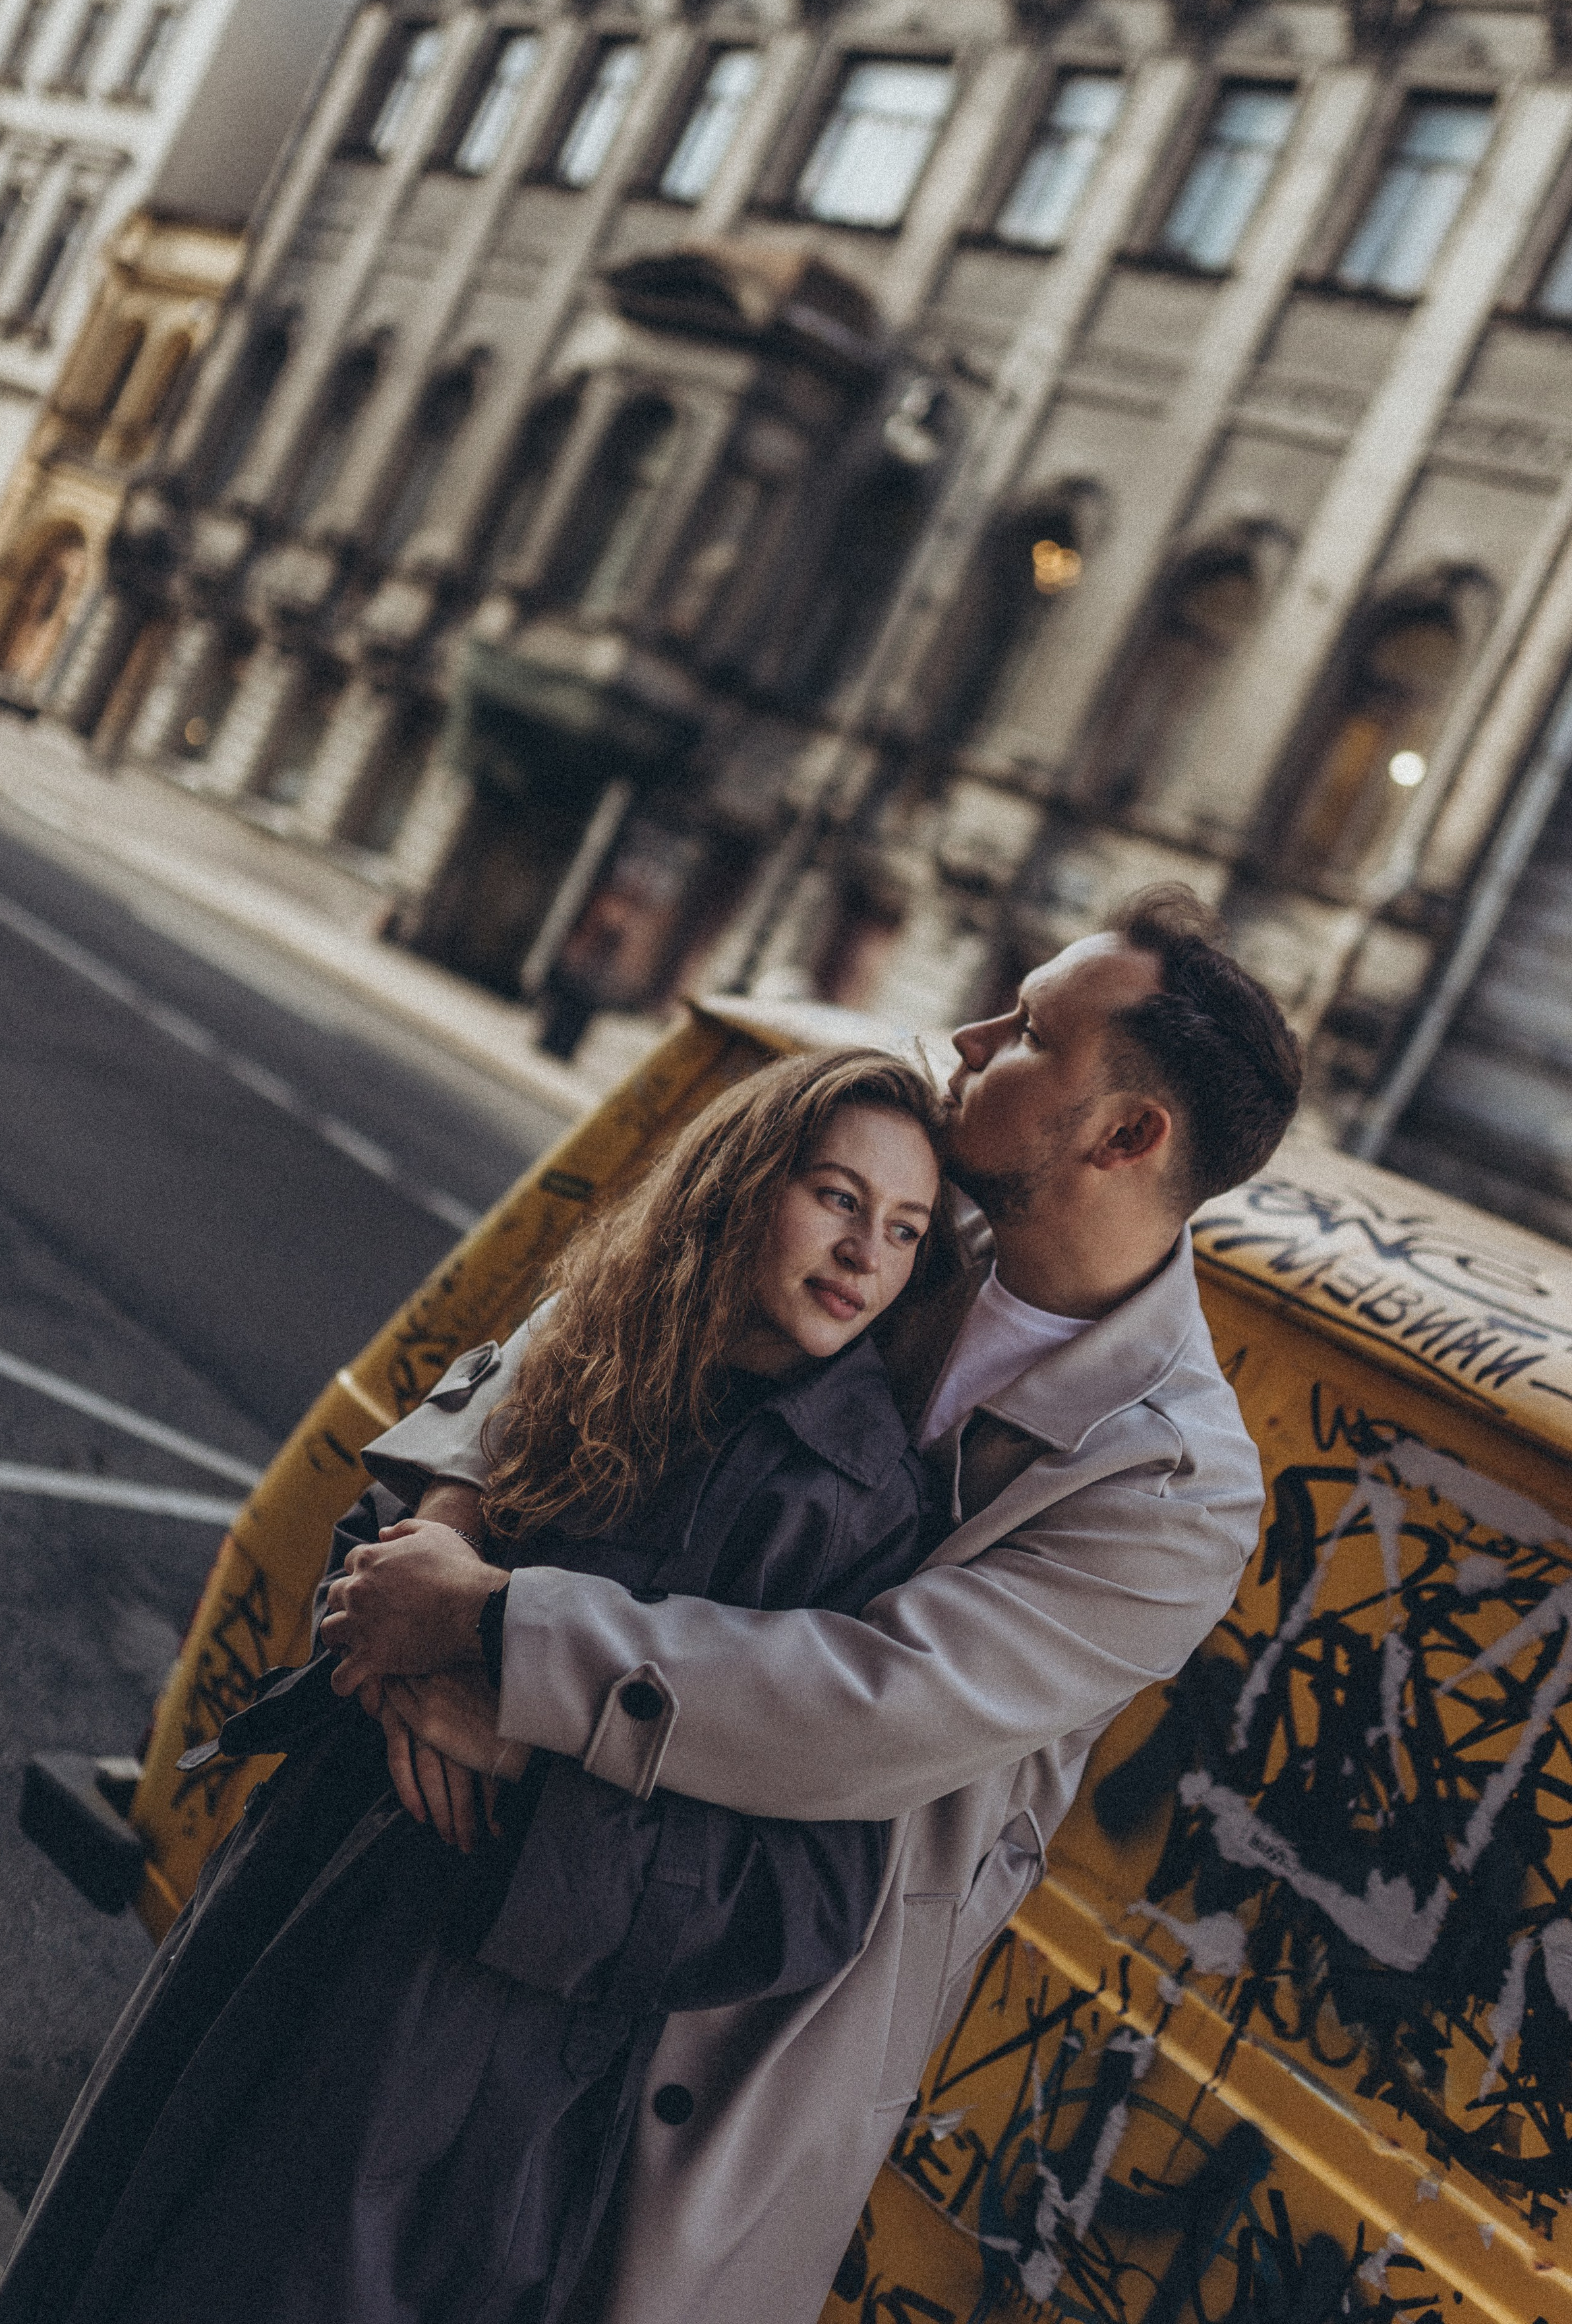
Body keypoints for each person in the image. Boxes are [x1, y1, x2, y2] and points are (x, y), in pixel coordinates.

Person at [316, 885, 1304, 2324]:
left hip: (731, 2039)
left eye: (1025, 1027)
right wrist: (447, 1544)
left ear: (1124, 1134)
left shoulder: (1173, 1484)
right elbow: (584, 1330)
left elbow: (868, 1705)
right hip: (477, 1896)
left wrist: (488, 1637)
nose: (970, 1033)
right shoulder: (890, 1204)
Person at [0, 1049, 960, 2324]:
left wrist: (520, 1750)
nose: (866, 1253)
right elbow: (388, 1556)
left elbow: (812, 1894)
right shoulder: (603, 1337)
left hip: (471, 2050)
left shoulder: (854, 1509)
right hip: (296, 1901)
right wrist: (399, 1661)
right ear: (740, 1183)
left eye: (904, 1228)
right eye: (836, 1197)